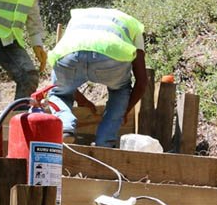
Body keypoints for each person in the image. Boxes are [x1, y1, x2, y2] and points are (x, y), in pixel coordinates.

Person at [47, 8, 148, 147]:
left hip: (69, 53)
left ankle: (65, 126)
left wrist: (79, 98)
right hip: (111, 56)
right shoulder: (132, 25)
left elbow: (65, 80)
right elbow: (142, 81)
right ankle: (104, 143)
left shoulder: (79, 17)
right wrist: (124, 110)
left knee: (58, 93)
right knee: (120, 91)